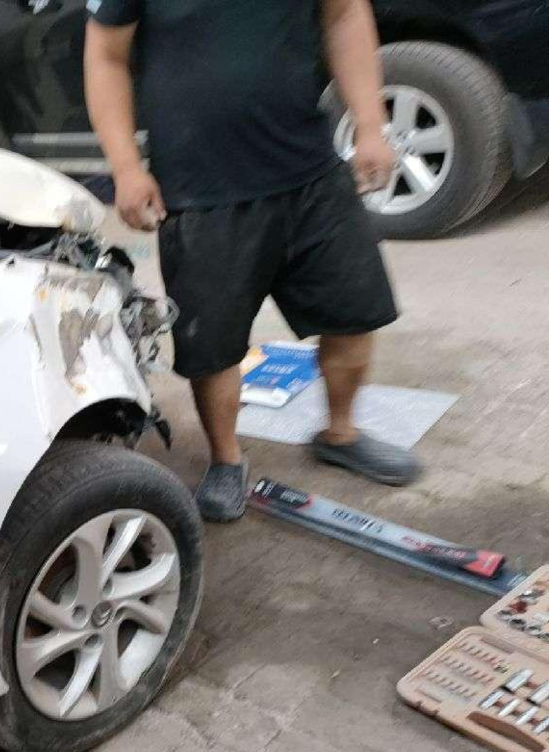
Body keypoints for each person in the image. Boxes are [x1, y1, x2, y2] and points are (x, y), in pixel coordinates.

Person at [84, 0, 422, 523]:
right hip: (200, 193)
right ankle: (226, 460)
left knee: (355, 313)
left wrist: (371, 124)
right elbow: (106, 56)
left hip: (310, 173)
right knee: (211, 348)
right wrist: (127, 168)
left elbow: (345, 15)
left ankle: (340, 434)